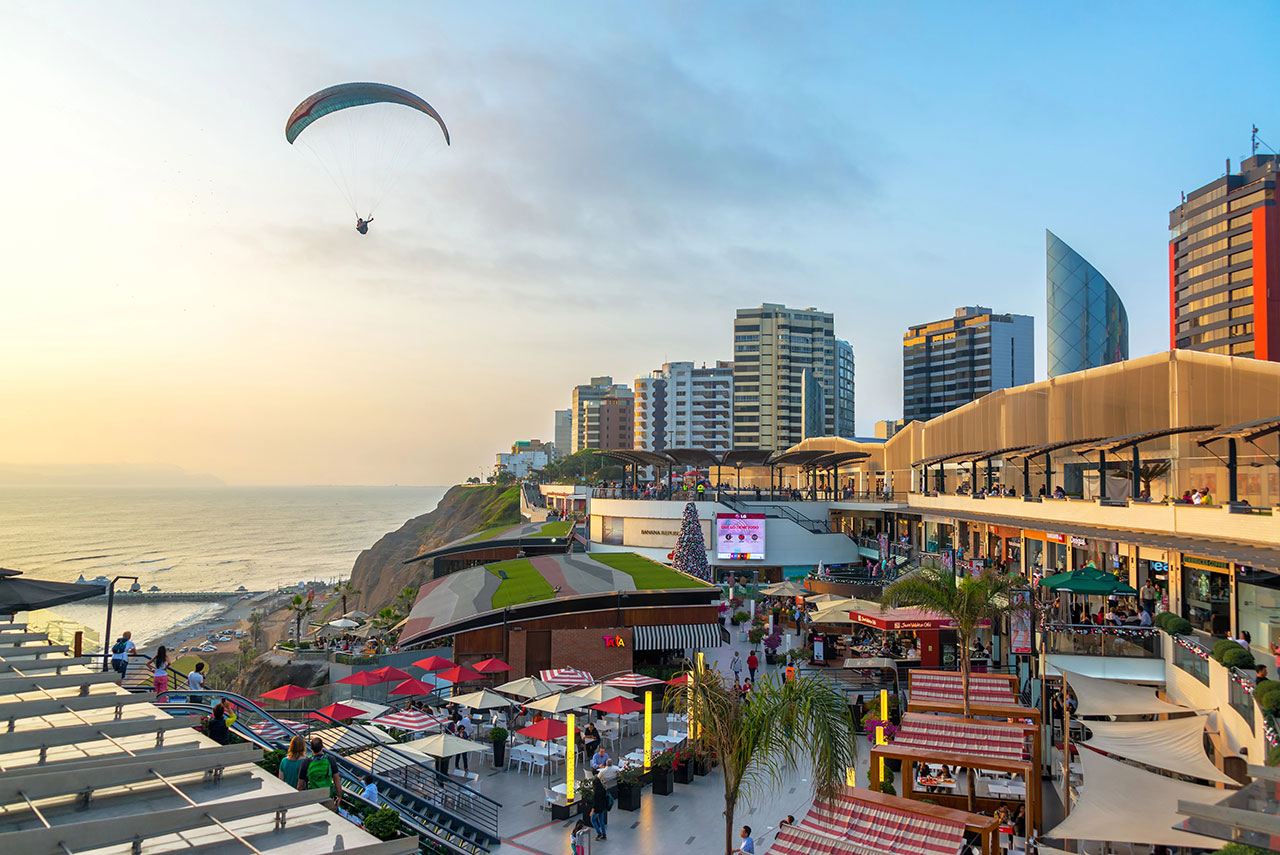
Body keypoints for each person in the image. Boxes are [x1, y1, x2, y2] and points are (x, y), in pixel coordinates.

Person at [301, 736, 341, 810]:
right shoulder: (330, 759)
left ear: (311, 747)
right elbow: (336, 779)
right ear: (322, 746)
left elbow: (300, 785)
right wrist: (339, 796)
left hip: (312, 798)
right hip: (327, 797)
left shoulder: (306, 762)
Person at [589, 770, 609, 840]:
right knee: (601, 821)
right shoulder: (602, 789)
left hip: (597, 808)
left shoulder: (595, 792)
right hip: (602, 806)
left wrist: (592, 810)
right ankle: (604, 834)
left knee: (593, 820)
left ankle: (598, 833)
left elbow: (595, 802)